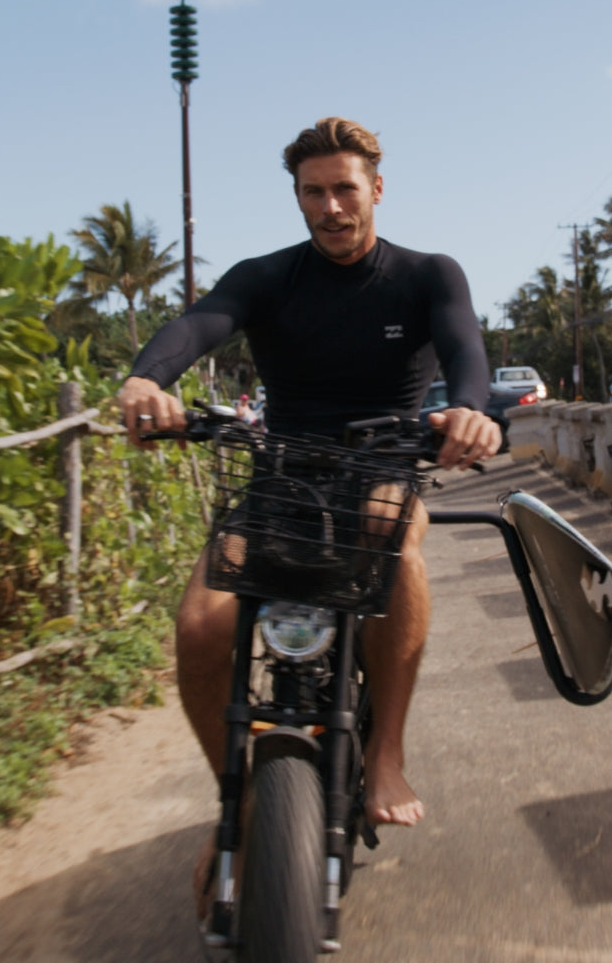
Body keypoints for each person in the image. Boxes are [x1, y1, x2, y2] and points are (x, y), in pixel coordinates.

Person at [117, 118, 501, 858]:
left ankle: (386, 753)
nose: (331, 207)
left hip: (383, 467)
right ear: (296, 196)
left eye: (345, 189)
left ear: (376, 189)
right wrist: (144, 380)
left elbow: (466, 349)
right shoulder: (265, 277)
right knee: (199, 626)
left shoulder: (428, 274)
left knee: (392, 533)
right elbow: (198, 325)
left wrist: (469, 411)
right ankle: (237, 804)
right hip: (281, 478)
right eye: (313, 192)